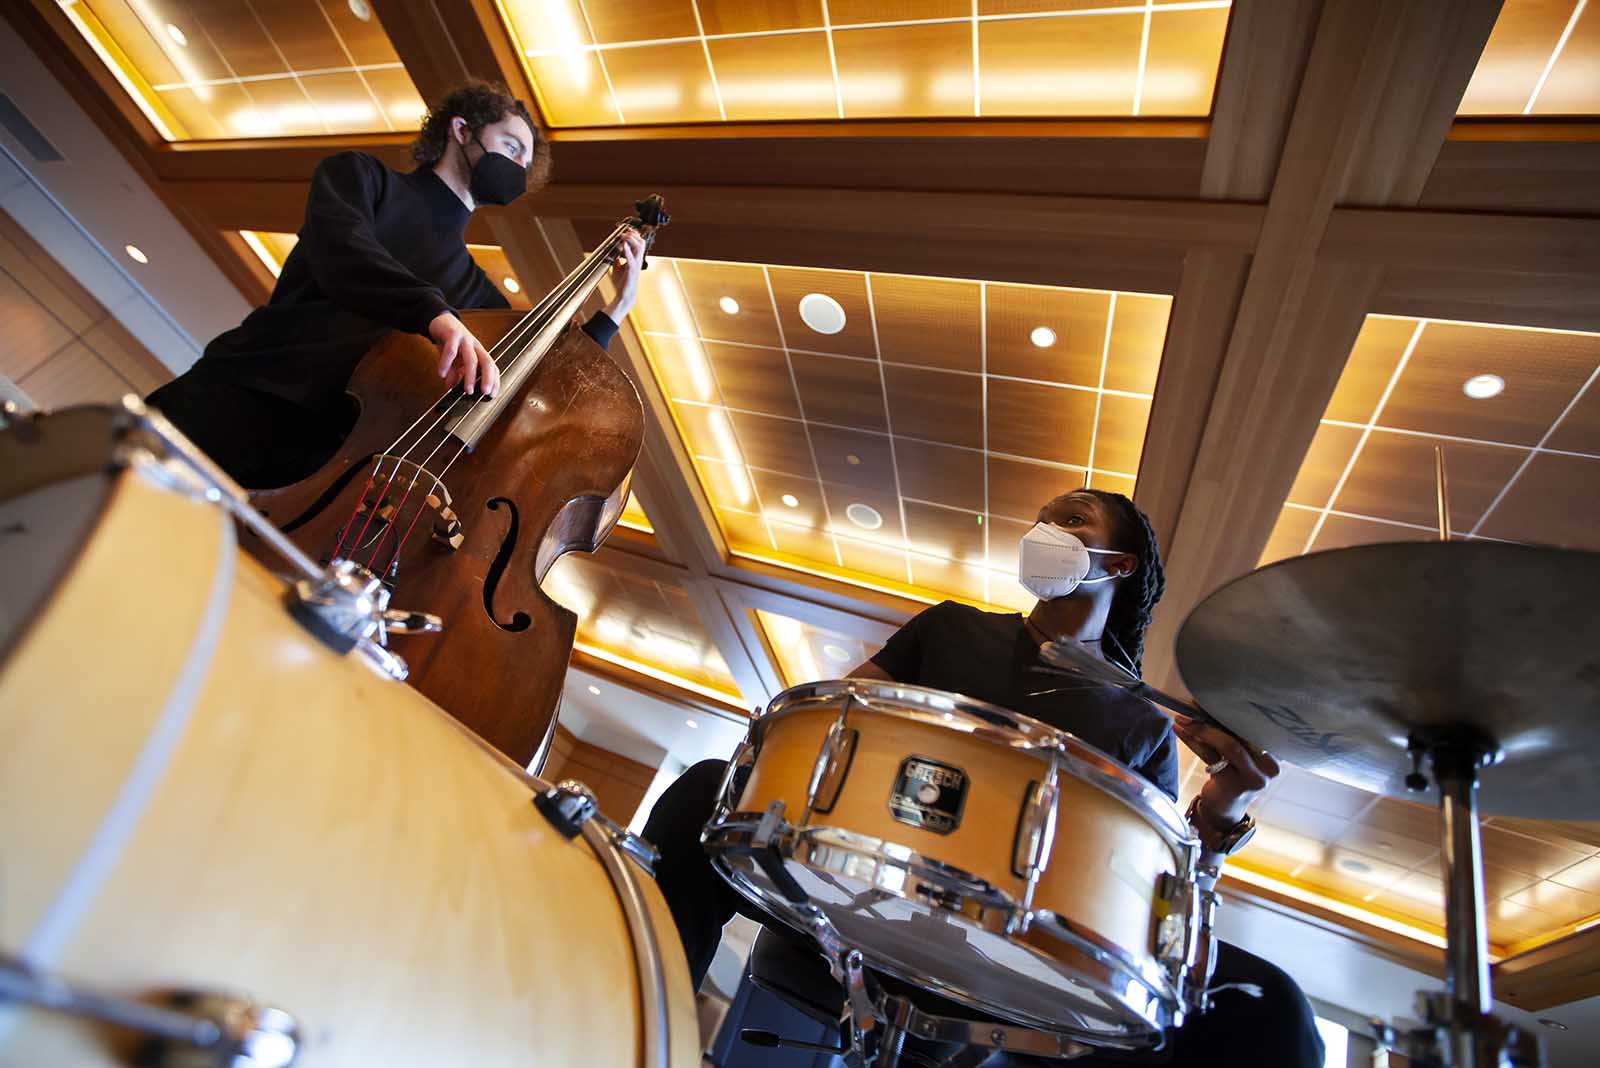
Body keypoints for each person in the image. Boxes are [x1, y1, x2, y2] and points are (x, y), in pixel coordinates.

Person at [644, 488, 1326, 1066]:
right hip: (857, 891)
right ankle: (639, 1027)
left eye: (1071, 520)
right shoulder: (949, 628)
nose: (1045, 531)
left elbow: (1150, 901)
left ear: (1119, 564)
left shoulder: (1140, 722)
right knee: (706, 791)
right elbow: (835, 722)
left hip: (991, 960)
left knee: (1266, 1016)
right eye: (1044, 518)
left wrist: (1221, 812)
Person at [147, 79, 645, 489]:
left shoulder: (472, 289)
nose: (516, 168)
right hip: (237, 395)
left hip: (315, 465)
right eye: (510, 147)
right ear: (461, 129)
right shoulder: (360, 177)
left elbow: (538, 369)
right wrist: (435, 315)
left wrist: (616, 308)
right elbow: (343, 254)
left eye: (524, 163)